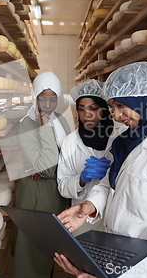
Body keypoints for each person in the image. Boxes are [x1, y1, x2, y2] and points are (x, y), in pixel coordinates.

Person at [54, 62, 147, 278]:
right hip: (116, 254)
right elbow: (111, 183)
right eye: (112, 108)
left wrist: (117, 275)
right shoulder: (128, 138)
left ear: (139, 98)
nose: (116, 115)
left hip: (146, 270)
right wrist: (90, 206)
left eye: (119, 105)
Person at [12, 71, 71, 278]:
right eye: (42, 98)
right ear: (34, 96)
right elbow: (48, 168)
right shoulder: (25, 125)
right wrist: (45, 126)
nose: (47, 105)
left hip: (58, 193)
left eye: (52, 99)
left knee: (51, 251)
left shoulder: (62, 121)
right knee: (33, 255)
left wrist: (52, 169)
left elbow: (68, 159)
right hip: (37, 197)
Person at [57, 79, 127, 236]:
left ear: (104, 109)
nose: (86, 114)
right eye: (81, 109)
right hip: (81, 219)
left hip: (114, 217)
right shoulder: (71, 141)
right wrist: (81, 179)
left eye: (93, 108)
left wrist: (113, 174)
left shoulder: (122, 134)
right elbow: (62, 186)